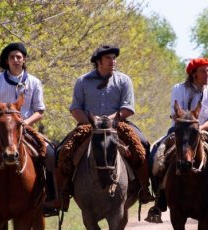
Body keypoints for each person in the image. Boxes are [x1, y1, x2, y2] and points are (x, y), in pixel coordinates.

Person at [43, 44, 156, 211]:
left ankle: (145, 189)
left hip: (119, 125)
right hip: (88, 126)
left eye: (114, 58)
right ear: (98, 61)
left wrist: (107, 121)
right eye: (108, 58)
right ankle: (62, 196)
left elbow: (128, 108)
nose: (113, 61)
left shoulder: (124, 80)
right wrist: (92, 123)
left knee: (144, 144)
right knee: (62, 151)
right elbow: (75, 108)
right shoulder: (83, 81)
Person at [0, 42, 58, 218]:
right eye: (12, 57)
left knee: (52, 155)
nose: (16, 60)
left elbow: (39, 110)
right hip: (1, 129)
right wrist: (0, 124)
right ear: (6, 61)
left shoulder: (34, 82)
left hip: (26, 128)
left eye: (19, 57)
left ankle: (51, 200)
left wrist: (24, 123)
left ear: (24, 60)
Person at [144, 57, 208, 223]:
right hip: (179, 129)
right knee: (156, 155)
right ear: (193, 74)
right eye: (203, 71)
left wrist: (199, 128)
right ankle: (159, 198)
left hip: (205, 130)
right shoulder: (179, 89)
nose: (207, 74)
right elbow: (174, 111)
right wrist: (185, 124)